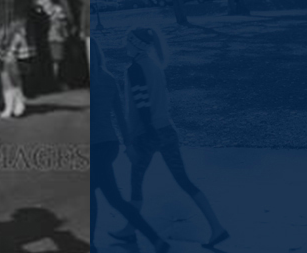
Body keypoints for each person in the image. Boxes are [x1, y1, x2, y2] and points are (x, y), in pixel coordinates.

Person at [109, 27, 230, 247]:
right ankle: (217, 227)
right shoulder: (156, 66)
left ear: (136, 46)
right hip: (167, 130)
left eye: (127, 42)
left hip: (147, 135)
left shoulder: (134, 69)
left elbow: (142, 105)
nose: (124, 46)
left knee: (136, 183)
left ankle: (129, 229)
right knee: (184, 181)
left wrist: (135, 140)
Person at [89, 39, 171, 253]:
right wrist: (127, 146)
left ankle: (156, 240)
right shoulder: (108, 78)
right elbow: (121, 117)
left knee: (111, 198)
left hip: (93, 147)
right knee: (96, 194)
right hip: (110, 145)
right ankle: (91, 244)